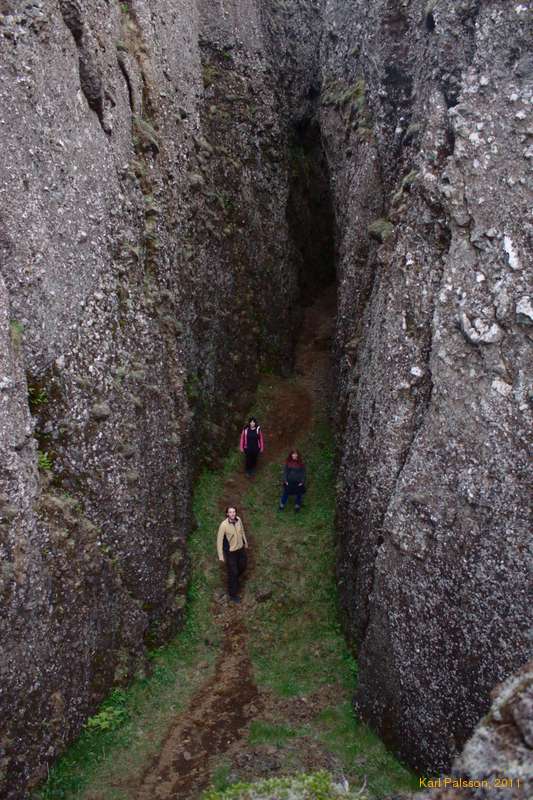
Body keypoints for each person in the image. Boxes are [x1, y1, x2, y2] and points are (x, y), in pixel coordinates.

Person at [217, 505, 248, 603]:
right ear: (227, 514)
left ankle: (234, 577)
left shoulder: (239, 520)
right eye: (230, 512)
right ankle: (233, 594)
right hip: (231, 552)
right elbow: (219, 541)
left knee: (243, 566)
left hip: (240, 549)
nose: (232, 514)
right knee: (233, 573)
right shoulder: (223, 525)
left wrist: (245, 542)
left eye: (234, 512)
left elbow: (242, 531)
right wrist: (221, 555)